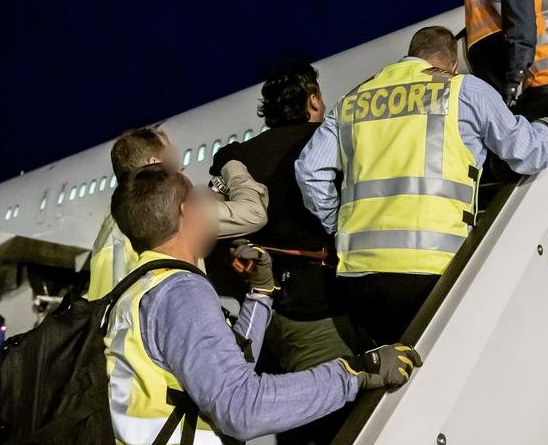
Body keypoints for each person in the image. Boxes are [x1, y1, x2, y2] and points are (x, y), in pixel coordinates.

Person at [104, 164, 422, 444]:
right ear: (188, 213)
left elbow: (227, 371)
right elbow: (241, 408)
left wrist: (260, 293)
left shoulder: (136, 291)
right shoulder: (179, 292)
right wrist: (353, 372)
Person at [296, 26, 548, 345]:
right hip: (432, 270)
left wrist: (334, 223)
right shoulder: (463, 89)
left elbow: (310, 170)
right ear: (453, 63)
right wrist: (545, 128)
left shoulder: (351, 101)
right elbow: (527, 153)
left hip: (357, 278)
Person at [208, 61, 363, 444]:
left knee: (288, 418)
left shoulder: (240, 157)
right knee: (336, 418)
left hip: (264, 315)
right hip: (317, 312)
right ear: (312, 100)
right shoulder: (325, 143)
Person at [88, 126, 269, 300]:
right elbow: (253, 213)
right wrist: (232, 164)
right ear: (154, 162)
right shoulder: (164, 208)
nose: (181, 166)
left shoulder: (115, 219)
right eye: (171, 155)